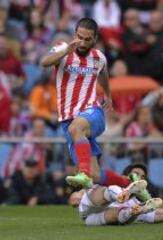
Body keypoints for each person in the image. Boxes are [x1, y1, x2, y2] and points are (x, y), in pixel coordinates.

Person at [41, 18, 145, 197]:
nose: (82, 42)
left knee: (77, 128)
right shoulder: (62, 48)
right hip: (69, 120)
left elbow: (103, 74)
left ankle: (83, 173)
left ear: (95, 39)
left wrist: (108, 95)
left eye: (87, 39)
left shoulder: (99, 57)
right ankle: (131, 184)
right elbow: (45, 62)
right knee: (96, 174)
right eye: (79, 37)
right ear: (75, 34)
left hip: (92, 112)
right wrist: (66, 51)